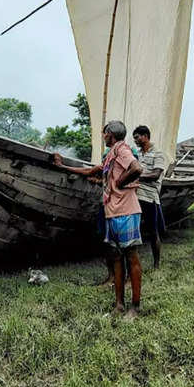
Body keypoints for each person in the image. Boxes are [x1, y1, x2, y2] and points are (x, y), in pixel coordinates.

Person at [53, 121, 143, 318]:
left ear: (110, 134)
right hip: (112, 211)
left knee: (131, 257)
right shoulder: (111, 155)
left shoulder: (122, 149)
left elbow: (136, 168)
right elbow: (91, 171)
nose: (103, 137)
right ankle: (119, 305)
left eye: (104, 134)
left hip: (126, 211)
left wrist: (119, 182)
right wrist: (64, 167)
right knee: (116, 257)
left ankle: (135, 307)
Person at [132, 125, 167, 269]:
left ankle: (156, 264)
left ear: (145, 136)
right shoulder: (138, 154)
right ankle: (134, 262)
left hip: (149, 196)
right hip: (135, 194)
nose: (135, 140)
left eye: (137, 137)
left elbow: (156, 174)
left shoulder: (158, 153)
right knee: (135, 229)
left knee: (153, 231)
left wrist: (136, 176)